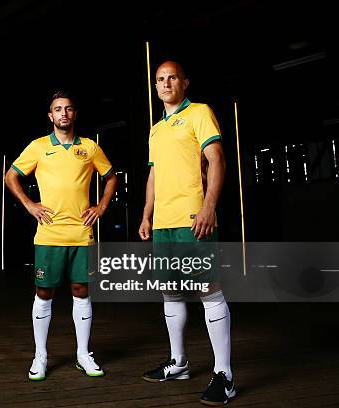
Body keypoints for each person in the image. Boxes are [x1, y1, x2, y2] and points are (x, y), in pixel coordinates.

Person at [138, 61, 236, 406]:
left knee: (208, 291)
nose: (165, 83)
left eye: (172, 77)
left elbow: (218, 158)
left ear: (184, 82)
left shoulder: (199, 112)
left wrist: (209, 207)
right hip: (163, 223)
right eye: (160, 79)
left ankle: (224, 375)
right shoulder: (155, 129)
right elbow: (153, 175)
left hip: (194, 219)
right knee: (171, 293)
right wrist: (147, 214)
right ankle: (179, 363)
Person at [5, 90, 118, 381]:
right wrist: (30, 205)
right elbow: (10, 176)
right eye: (58, 109)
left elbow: (111, 177)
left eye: (68, 108)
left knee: (81, 291)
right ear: (50, 116)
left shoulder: (90, 148)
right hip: (49, 234)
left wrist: (101, 207)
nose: (63, 113)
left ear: (74, 114)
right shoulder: (39, 147)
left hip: (81, 233)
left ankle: (83, 354)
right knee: (44, 293)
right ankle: (40, 356)